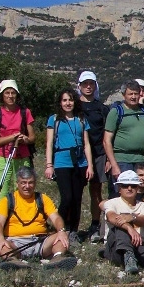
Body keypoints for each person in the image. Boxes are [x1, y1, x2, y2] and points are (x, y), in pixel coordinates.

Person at [0, 167, 77, 271]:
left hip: (40, 241)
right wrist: (0, 238)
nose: (27, 186)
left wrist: (61, 231)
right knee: (2, 245)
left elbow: (56, 218)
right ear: (17, 183)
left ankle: (57, 259)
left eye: (30, 183)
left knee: (61, 238)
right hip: (14, 243)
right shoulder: (7, 200)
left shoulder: (42, 199)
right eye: (23, 183)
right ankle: (13, 261)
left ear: (35, 183)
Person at [44, 88, 94, 244]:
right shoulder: (54, 119)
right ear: (60, 102)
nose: (68, 103)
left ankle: (73, 230)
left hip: (80, 162)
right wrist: (49, 165)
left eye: (71, 100)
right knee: (67, 197)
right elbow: (49, 143)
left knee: (77, 199)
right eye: (65, 100)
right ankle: (59, 228)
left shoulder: (81, 119)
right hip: (62, 161)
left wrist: (90, 165)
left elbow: (86, 144)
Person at [103, 80, 144, 194]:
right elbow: (106, 141)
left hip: (142, 160)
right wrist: (114, 165)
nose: (133, 97)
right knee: (121, 195)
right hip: (122, 161)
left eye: (136, 93)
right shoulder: (116, 112)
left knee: (142, 196)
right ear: (124, 95)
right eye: (130, 94)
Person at [0, 79, 36, 202]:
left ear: (17, 95)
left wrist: (24, 139)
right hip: (3, 157)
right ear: (2, 95)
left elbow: (32, 138)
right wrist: (14, 137)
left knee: (22, 192)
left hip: (22, 157)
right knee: (0, 191)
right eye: (7, 93)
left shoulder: (25, 112)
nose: (10, 96)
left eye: (13, 93)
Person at [77, 71, 111, 242]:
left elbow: (107, 132)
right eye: (85, 84)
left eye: (91, 83)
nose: (88, 86)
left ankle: (95, 223)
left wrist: (106, 157)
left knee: (95, 190)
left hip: (98, 153)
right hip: (77, 154)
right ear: (80, 86)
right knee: (75, 191)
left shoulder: (102, 108)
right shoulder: (74, 106)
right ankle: (71, 226)